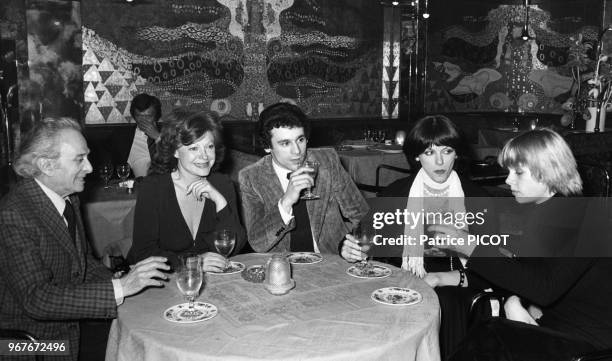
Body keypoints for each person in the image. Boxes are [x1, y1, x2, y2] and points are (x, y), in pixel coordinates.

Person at [430, 129, 612, 360]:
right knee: (483, 330)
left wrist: (471, 248)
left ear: (548, 173)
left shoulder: (584, 219)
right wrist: (444, 277)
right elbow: (521, 270)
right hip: (558, 328)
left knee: (491, 335)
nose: (508, 180)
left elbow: (543, 288)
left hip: (591, 344)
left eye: (518, 172)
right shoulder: (548, 211)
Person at [0, 117, 169, 361]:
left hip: (69, 332)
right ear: (47, 165)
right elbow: (36, 298)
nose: (89, 167)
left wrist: (125, 283)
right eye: (80, 159)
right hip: (25, 345)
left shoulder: (68, 198)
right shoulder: (13, 215)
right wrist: (121, 288)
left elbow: (84, 264)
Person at [342, 114, 491, 359]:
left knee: (444, 302)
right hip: (403, 277)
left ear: (457, 154)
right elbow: (361, 237)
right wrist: (348, 248)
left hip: (457, 283)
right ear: (416, 156)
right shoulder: (396, 193)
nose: (440, 161)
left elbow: (495, 265)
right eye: (430, 153)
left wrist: (440, 278)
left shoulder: (478, 198)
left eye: (447, 151)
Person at [238, 102, 368, 255]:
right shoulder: (252, 178)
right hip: (283, 267)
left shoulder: (327, 161)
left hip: (330, 262)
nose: (297, 151)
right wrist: (285, 203)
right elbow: (257, 243)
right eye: (285, 143)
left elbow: (362, 215)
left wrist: (350, 246)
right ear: (267, 147)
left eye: (300, 140)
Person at [127, 108, 246, 271]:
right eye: (194, 148)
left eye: (209, 146)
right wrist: (194, 262)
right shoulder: (153, 188)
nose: (204, 156)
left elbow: (236, 246)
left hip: (209, 281)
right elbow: (143, 253)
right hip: (160, 281)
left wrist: (220, 201)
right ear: (175, 151)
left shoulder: (222, 185)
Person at [107, 93, 162, 177]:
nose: (143, 120)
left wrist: (158, 137)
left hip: (166, 185)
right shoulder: (122, 136)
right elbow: (114, 167)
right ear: (134, 116)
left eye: (148, 116)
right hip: (137, 186)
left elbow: (175, 163)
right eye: (139, 116)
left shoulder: (169, 132)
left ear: (156, 116)